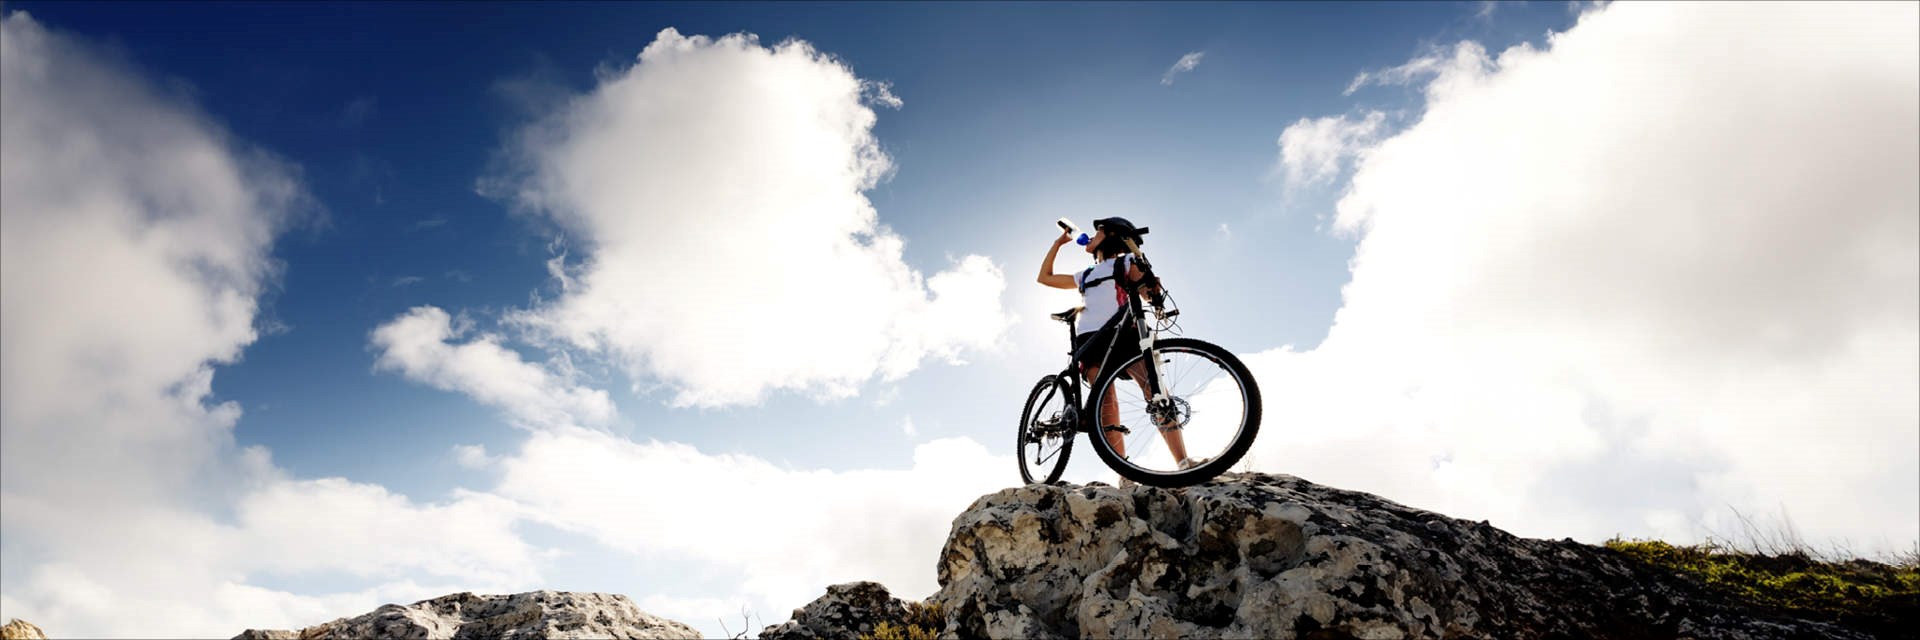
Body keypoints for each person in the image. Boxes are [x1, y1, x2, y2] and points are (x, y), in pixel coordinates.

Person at [1036, 217, 1201, 486]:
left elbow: (1149, 294)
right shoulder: (1086, 274)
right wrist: (1059, 243)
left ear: (1111, 235)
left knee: (1154, 389)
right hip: (1091, 336)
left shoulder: (1127, 263)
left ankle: (1183, 462)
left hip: (1125, 333)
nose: (1091, 236)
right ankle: (1124, 474)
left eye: (1098, 231)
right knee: (1107, 401)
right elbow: (1045, 278)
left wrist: (1153, 288)